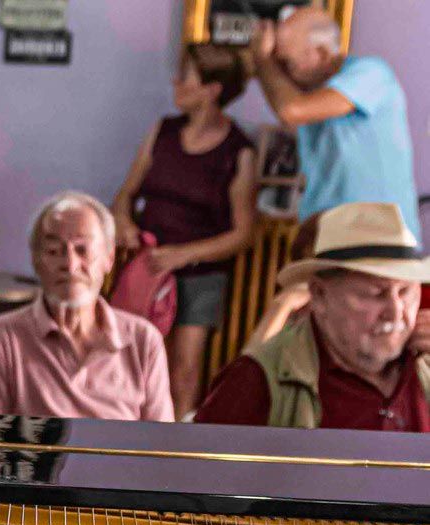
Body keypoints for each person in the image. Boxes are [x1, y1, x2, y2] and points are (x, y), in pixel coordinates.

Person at [112, 42, 258, 418]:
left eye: (186, 77)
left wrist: (183, 255)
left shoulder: (238, 151)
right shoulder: (163, 131)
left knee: (184, 372)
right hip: (148, 267)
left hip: (200, 274)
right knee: (130, 363)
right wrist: (125, 223)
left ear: (212, 89)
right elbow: (125, 195)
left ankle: (175, 454)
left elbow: (243, 234)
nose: (176, 83)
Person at [195, 201, 430, 431]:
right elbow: (196, 467)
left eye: (405, 291)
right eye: (375, 294)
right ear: (319, 295)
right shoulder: (256, 381)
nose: (396, 312)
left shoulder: (423, 366)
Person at [0, 191, 174, 422]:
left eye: (83, 250)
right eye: (54, 251)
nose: (70, 265)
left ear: (108, 258)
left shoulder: (143, 341)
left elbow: (161, 449)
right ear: (35, 260)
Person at [249, 5, 420, 241]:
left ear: (321, 53)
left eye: (287, 64)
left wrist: (262, 60)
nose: (284, 75)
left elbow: (290, 110)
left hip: (379, 242)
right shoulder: (316, 97)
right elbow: (287, 110)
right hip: (331, 237)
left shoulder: (371, 73)